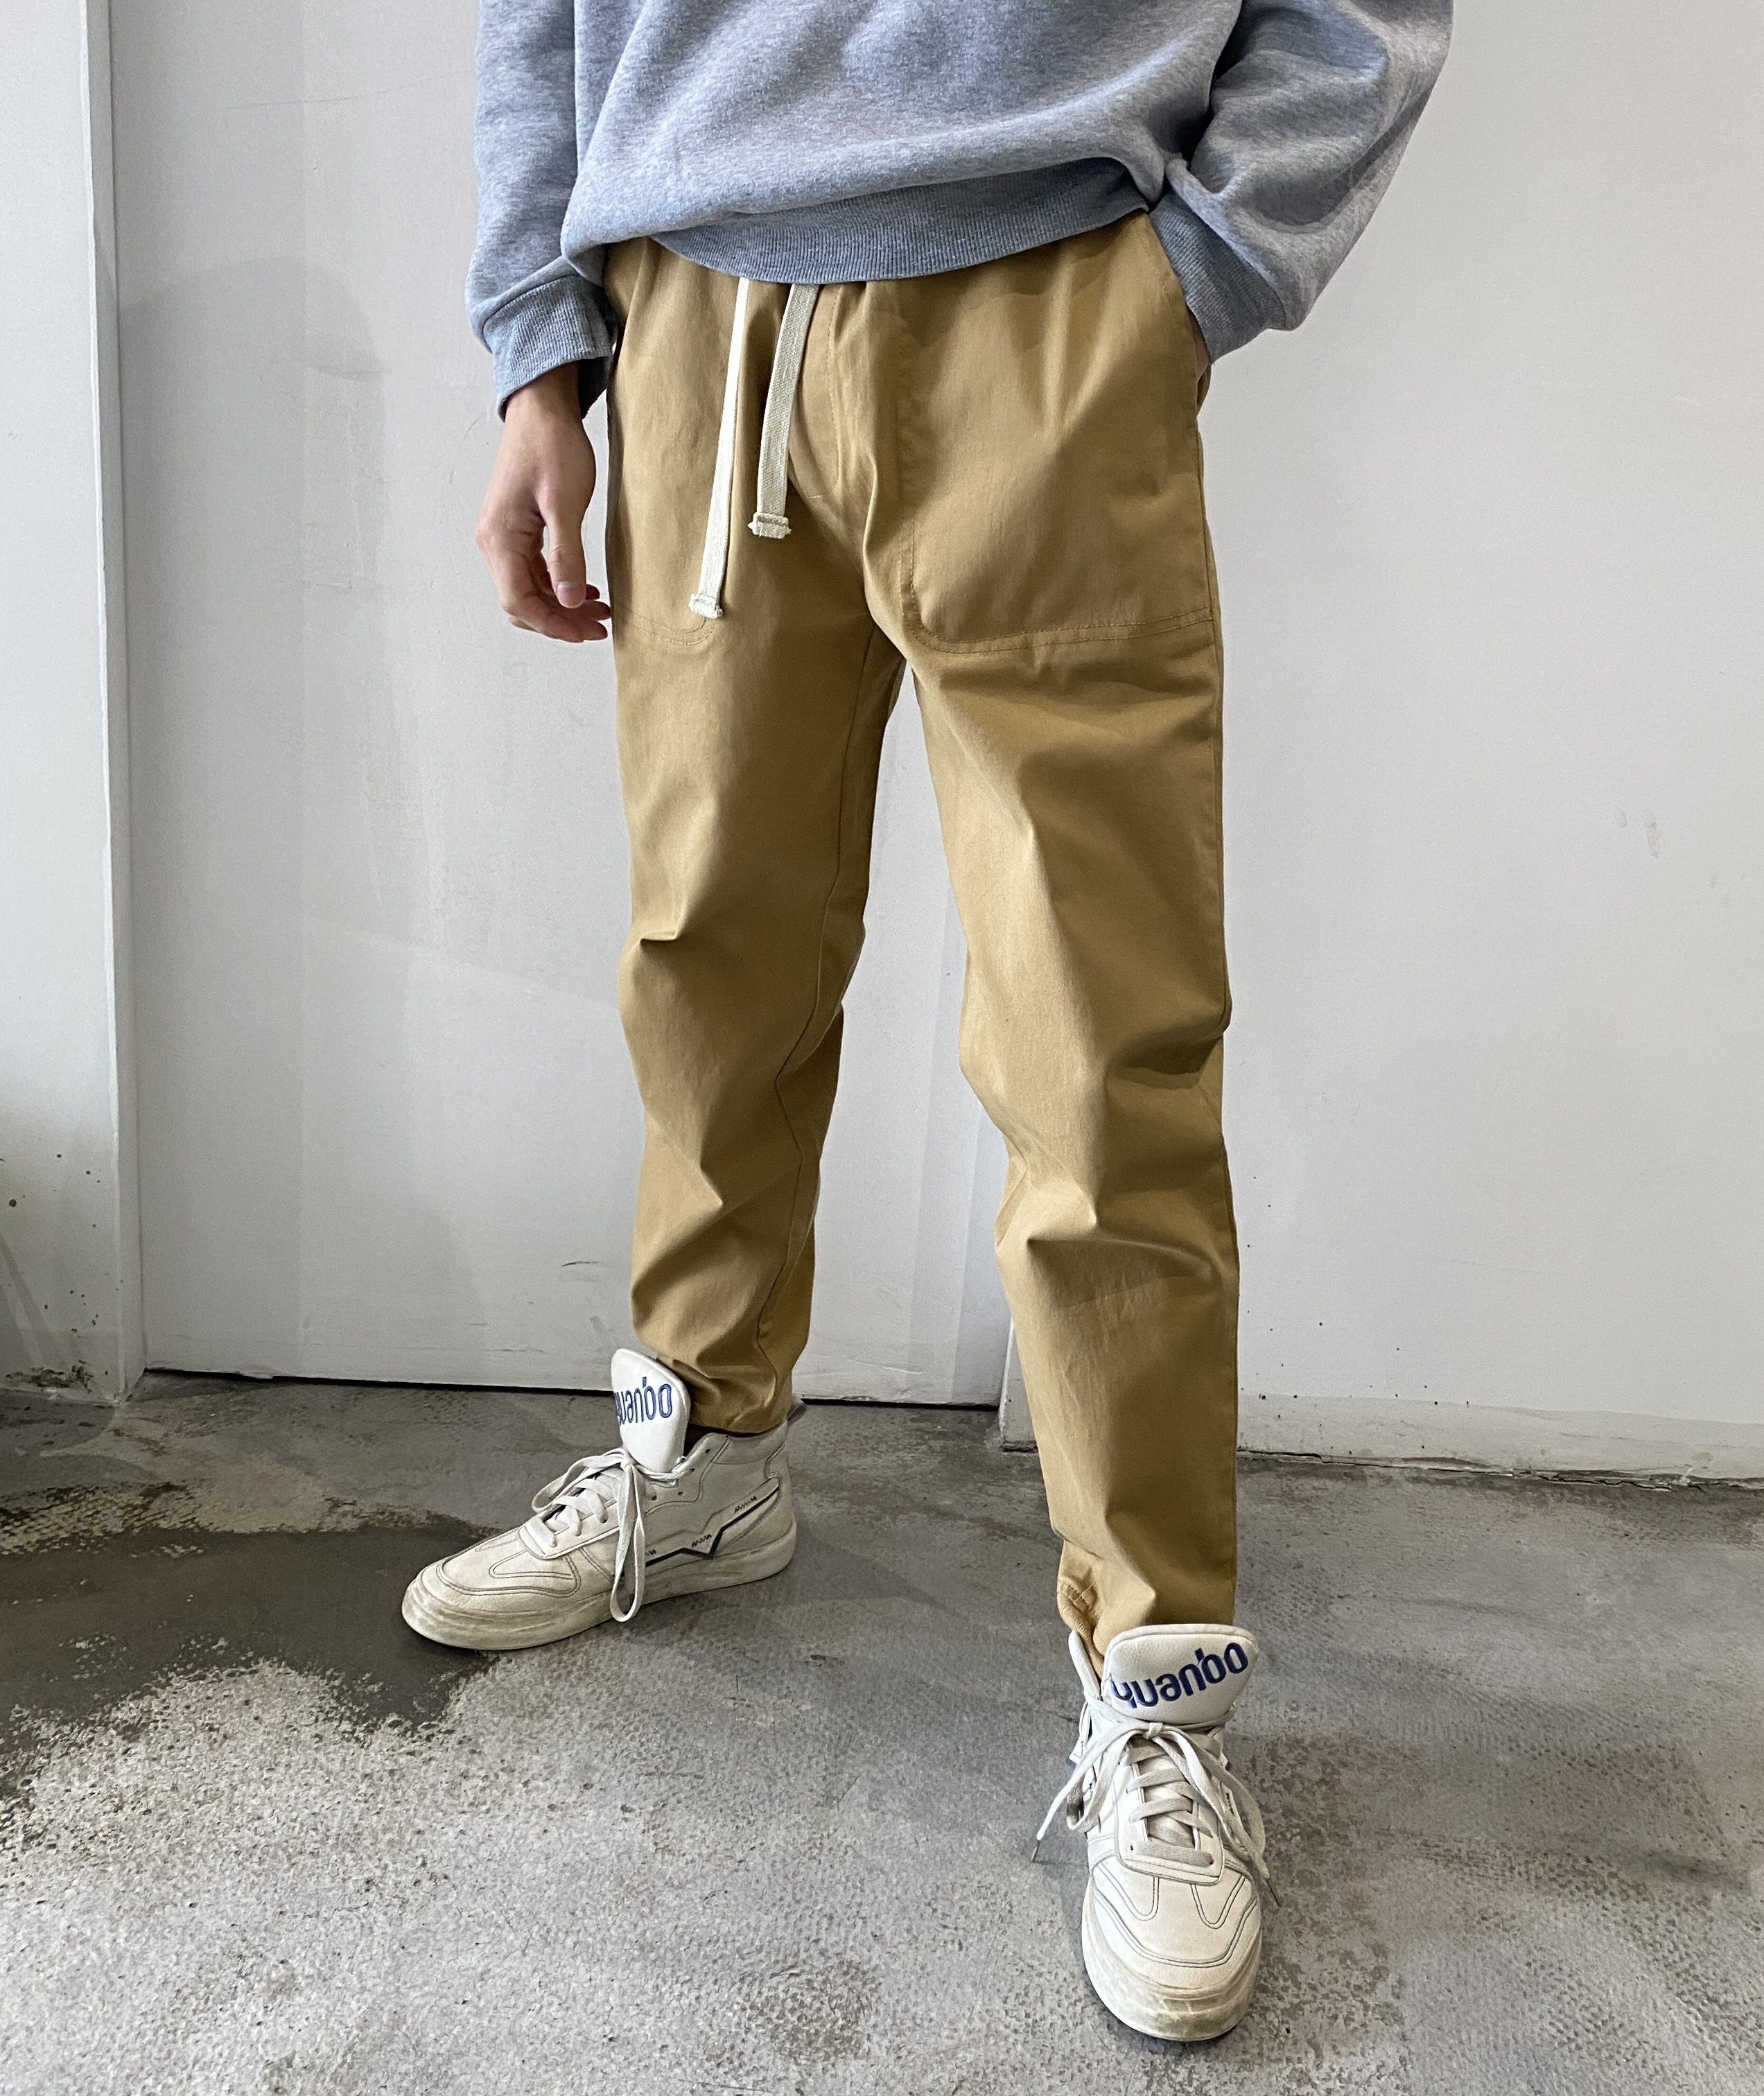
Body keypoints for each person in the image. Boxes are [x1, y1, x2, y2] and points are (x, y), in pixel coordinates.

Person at [403, 0, 1449, 2043]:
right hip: (694, 313)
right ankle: (702, 1456)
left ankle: (1157, 1682)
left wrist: (1201, 271)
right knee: (710, 954)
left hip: (1047, 301)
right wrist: (542, 344)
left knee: (1101, 1033)